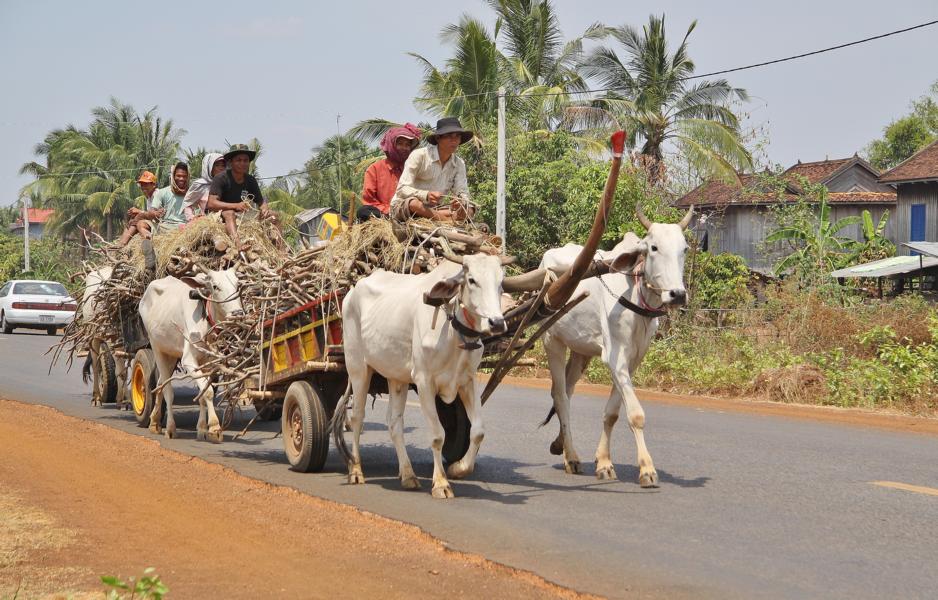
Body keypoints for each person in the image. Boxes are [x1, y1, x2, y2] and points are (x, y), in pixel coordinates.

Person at [391, 117, 476, 223]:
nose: (454, 140)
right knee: (414, 204)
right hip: (409, 208)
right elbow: (402, 189)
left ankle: (441, 218)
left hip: (435, 210)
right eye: (449, 136)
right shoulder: (419, 155)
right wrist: (426, 195)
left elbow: (462, 191)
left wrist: (460, 201)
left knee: (470, 209)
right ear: (438, 138)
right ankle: (448, 222)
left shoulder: (459, 163)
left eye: (457, 136)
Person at [206, 144, 270, 249]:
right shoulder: (220, 178)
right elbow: (211, 203)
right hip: (220, 216)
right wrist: (235, 205)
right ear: (231, 163)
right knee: (229, 213)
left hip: (242, 216)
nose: (243, 163)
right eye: (238, 160)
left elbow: (261, 201)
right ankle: (238, 245)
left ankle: (282, 252)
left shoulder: (251, 180)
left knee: (274, 215)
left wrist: (264, 208)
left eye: (245, 160)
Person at [357, 123, 421, 221]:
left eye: (407, 145)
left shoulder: (413, 168)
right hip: (384, 215)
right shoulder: (374, 169)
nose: (404, 148)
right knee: (363, 211)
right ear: (391, 145)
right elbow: (369, 201)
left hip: (409, 213)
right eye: (400, 144)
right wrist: (389, 210)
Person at [116, 171, 163, 246]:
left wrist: (139, 211)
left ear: (153, 185)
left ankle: (123, 243)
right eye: (142, 184)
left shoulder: (157, 194)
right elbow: (150, 214)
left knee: (138, 217)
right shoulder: (149, 197)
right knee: (133, 218)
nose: (143, 187)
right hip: (154, 221)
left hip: (162, 223)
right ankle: (121, 243)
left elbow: (153, 214)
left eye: (146, 184)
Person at [150, 162, 190, 232]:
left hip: (186, 228)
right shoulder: (162, 192)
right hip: (165, 227)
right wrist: (156, 213)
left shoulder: (192, 193)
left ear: (188, 177)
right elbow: (152, 211)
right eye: (178, 176)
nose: (181, 179)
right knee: (142, 224)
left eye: (184, 176)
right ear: (173, 176)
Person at [183, 153, 225, 222]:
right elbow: (187, 204)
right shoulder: (200, 185)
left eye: (223, 166)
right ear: (209, 167)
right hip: (207, 224)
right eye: (217, 165)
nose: (221, 168)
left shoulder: (227, 184)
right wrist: (192, 218)